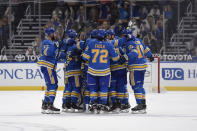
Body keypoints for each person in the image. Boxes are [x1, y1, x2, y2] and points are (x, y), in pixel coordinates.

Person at [82, 29, 120, 114]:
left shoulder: (91, 43)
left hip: (92, 71)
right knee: (104, 89)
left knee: (93, 89)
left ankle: (94, 105)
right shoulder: (109, 44)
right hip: (105, 71)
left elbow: (84, 58)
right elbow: (116, 59)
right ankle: (103, 105)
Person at [125, 29, 154, 114]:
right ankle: (143, 104)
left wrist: (124, 58)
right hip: (143, 66)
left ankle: (139, 105)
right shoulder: (139, 40)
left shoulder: (129, 43)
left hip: (135, 67)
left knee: (136, 86)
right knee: (140, 86)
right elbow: (146, 49)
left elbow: (133, 55)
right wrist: (150, 56)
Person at [37, 28, 60, 114]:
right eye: (54, 33)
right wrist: (55, 46)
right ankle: (50, 105)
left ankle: (45, 104)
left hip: (49, 66)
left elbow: (55, 55)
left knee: (50, 85)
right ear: (50, 34)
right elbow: (47, 52)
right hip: (47, 66)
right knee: (53, 85)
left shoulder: (51, 43)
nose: (55, 35)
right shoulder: (46, 42)